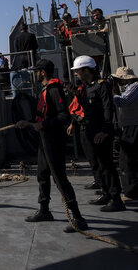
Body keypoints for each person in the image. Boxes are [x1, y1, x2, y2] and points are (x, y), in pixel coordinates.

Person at [17, 59, 87, 233]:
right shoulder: (44, 89)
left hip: (53, 140)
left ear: (43, 72)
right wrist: (27, 123)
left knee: (59, 178)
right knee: (42, 174)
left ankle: (78, 218)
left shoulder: (54, 90)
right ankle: (44, 210)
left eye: (37, 71)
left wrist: (45, 125)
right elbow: (43, 117)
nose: (35, 73)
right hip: (44, 140)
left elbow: (64, 116)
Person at [67, 56, 125, 212]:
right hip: (91, 131)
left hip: (101, 132)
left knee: (107, 165)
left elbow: (108, 109)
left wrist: (104, 131)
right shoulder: (87, 88)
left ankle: (116, 198)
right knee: (98, 164)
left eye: (78, 71)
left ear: (86, 70)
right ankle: (106, 193)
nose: (76, 74)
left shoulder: (102, 86)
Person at [111, 66, 138, 200]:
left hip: (133, 127)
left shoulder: (134, 87)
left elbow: (122, 101)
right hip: (130, 127)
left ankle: (131, 191)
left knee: (127, 160)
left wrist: (114, 92)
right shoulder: (131, 88)